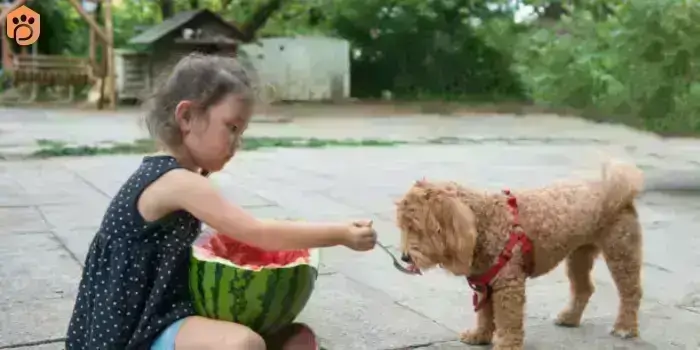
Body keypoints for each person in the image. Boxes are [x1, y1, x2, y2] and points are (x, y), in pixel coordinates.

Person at [65, 53, 377, 350]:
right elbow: (258, 233)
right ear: (187, 116)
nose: (236, 144)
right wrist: (341, 233)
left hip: (146, 315)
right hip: (133, 335)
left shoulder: (164, 171)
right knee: (244, 344)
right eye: (231, 127)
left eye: (240, 132)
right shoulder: (178, 182)